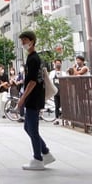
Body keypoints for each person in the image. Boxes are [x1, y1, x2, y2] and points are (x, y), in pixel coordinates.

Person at [18, 30, 55, 170]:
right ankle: (45, 152)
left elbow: (32, 82)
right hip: (35, 96)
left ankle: (38, 158)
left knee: (32, 128)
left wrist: (22, 98)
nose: (23, 43)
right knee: (28, 127)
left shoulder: (33, 58)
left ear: (32, 41)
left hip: (33, 97)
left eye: (25, 40)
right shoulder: (32, 57)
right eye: (22, 41)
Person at [50, 58, 64, 124]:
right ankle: (57, 118)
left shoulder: (63, 73)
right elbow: (50, 81)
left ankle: (64, 118)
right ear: (54, 64)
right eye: (57, 63)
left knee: (63, 105)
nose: (58, 64)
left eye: (59, 63)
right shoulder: (52, 73)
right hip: (55, 91)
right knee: (57, 105)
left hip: (62, 91)